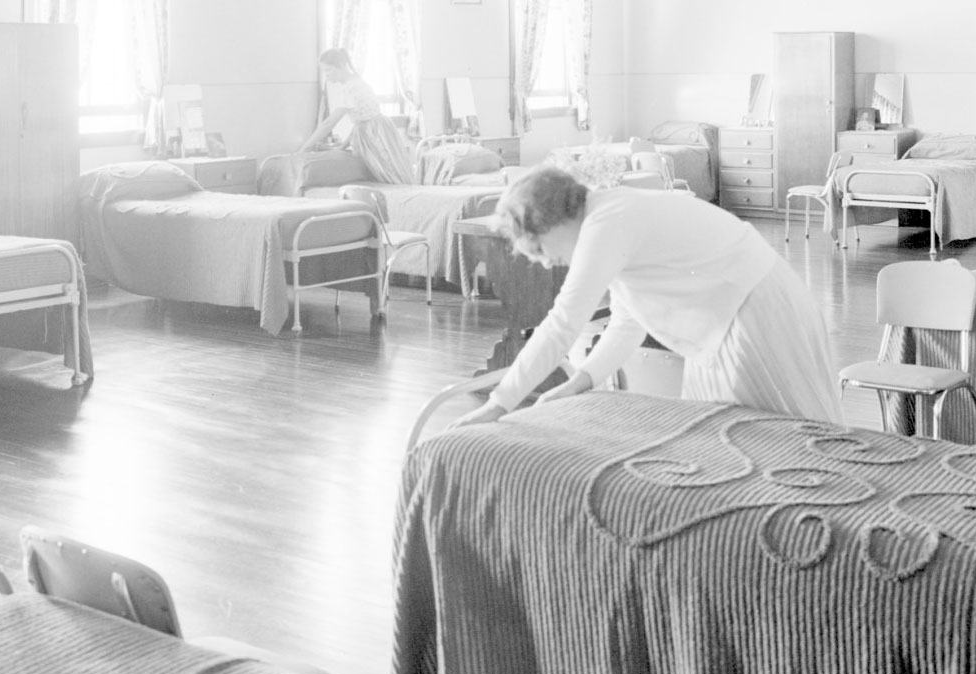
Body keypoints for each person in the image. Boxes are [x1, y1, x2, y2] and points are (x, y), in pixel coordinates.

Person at [454, 164, 843, 427]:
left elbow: (562, 324)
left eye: (537, 249)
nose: (542, 262)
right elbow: (628, 321)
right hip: (735, 313)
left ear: (548, 220)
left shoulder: (606, 223)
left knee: (774, 434)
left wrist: (498, 403)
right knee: (718, 439)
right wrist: (580, 382)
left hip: (752, 311)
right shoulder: (610, 218)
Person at [299, 48, 415, 184]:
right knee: (391, 172)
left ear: (341, 66)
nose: (327, 75)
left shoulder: (351, 89)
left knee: (385, 174)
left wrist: (305, 147)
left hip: (373, 135)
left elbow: (329, 123)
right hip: (380, 130)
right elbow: (360, 122)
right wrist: (343, 145)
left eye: (328, 70)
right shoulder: (357, 82)